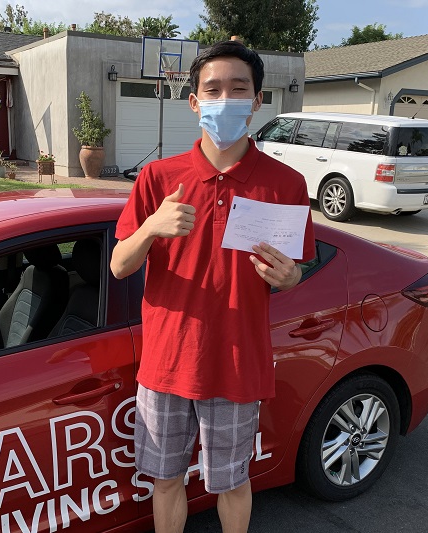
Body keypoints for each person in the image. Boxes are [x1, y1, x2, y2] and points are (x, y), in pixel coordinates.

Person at [110, 40, 315, 533]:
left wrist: (292, 278)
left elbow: (294, 270)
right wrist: (149, 229)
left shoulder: (286, 184)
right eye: (213, 89)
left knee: (232, 483)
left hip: (237, 363)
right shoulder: (159, 178)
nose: (225, 99)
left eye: (238, 89)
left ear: (257, 101)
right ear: (195, 102)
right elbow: (119, 265)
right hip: (167, 363)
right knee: (166, 481)